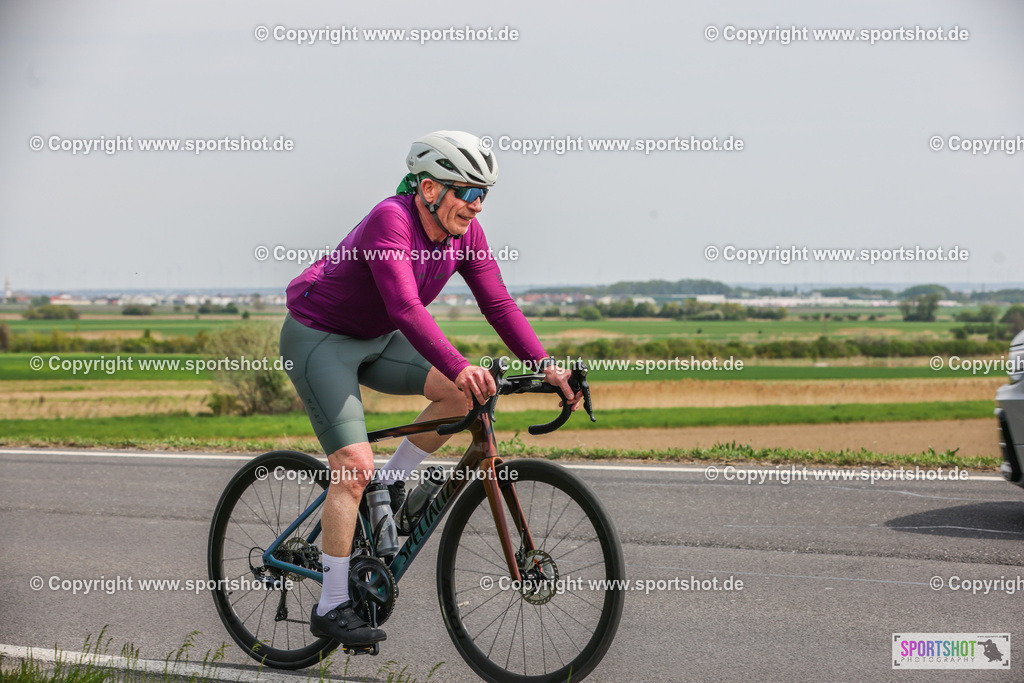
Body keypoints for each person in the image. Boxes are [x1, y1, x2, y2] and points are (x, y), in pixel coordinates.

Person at [279, 130, 582, 646]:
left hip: (374, 339)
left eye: (483, 193)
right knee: (353, 469)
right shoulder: (389, 220)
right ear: (428, 189)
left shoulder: (467, 235)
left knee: (465, 395)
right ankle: (330, 604)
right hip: (319, 339)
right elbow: (405, 308)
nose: (476, 204)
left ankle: (394, 485)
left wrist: (547, 365)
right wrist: (460, 362)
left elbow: (499, 306)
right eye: (466, 191)